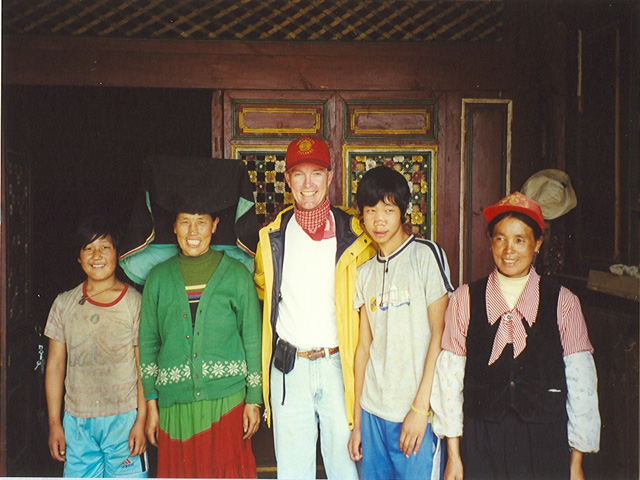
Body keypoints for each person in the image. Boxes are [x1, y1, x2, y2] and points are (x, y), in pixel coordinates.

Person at [431, 191, 600, 480]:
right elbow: (449, 382)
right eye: (500, 238)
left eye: (520, 240)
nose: (509, 250)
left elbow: (582, 385)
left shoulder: (563, 302)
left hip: (545, 441)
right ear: (490, 241)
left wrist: (575, 464)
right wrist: (454, 457)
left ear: (537, 244)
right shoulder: (464, 300)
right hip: (481, 439)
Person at [254, 136, 376, 479]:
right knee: (293, 471)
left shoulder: (355, 233)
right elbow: (264, 287)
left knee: (346, 469)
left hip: (341, 365)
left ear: (330, 176)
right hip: (289, 368)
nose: (308, 184)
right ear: (287, 179)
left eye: (317, 173)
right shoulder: (273, 236)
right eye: (299, 174)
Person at [139, 209, 262, 478]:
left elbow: (252, 338)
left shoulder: (236, 275)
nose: (193, 232)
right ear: (174, 226)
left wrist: (254, 399)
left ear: (215, 225)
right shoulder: (158, 278)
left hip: (226, 400)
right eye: (184, 221)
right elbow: (148, 344)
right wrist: (151, 405)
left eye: (201, 222)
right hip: (175, 404)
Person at [347, 166, 452, 479]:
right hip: (372, 414)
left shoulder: (426, 256)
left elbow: (440, 335)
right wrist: (357, 424)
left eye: (389, 210)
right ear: (361, 216)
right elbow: (364, 349)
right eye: (371, 211)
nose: (380, 220)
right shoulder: (365, 273)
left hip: (414, 415)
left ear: (403, 212)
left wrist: (421, 410)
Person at [45, 215, 148, 478]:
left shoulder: (134, 303)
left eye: (105, 246)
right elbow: (55, 366)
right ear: (79, 258)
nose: (96, 255)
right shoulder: (64, 303)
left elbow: (143, 367)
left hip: (124, 420)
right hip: (77, 423)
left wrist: (141, 420)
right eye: (88, 248)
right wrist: (55, 423)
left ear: (117, 253)